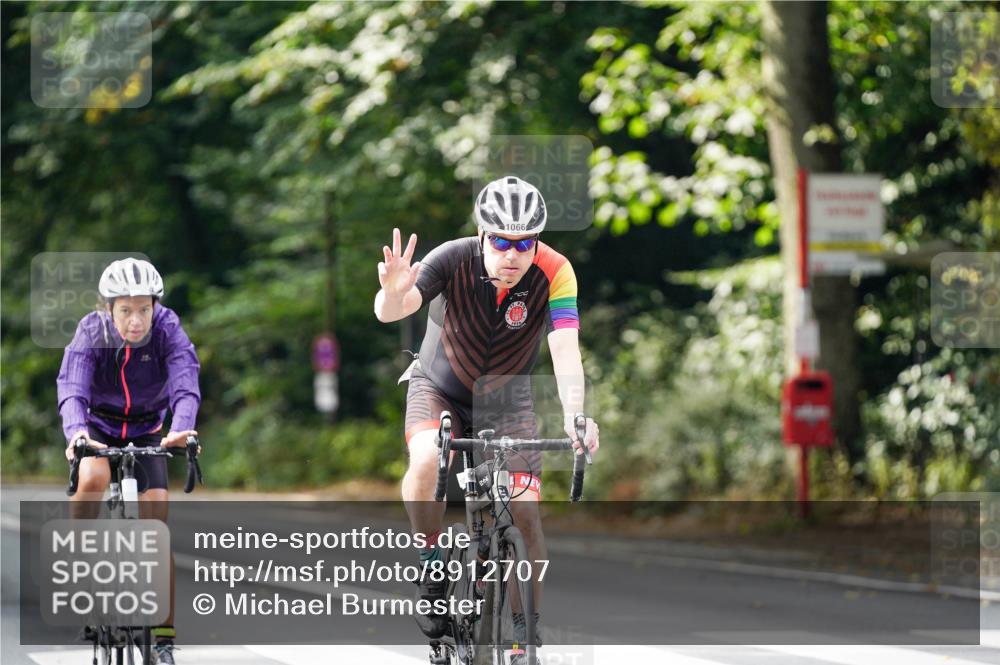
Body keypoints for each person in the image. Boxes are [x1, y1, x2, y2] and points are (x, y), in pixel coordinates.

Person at [374, 176, 600, 661]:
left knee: (526, 515)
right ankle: (431, 560)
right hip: (440, 389)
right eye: (501, 240)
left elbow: (564, 348)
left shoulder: (556, 272)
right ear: (482, 235)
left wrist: (576, 417)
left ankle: (524, 642)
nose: (512, 254)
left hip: (507, 400)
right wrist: (393, 294)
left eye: (524, 242)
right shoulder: (452, 258)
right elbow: (395, 309)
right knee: (428, 459)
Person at [57, 257, 201, 665]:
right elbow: (72, 387)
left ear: (155, 305)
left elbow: (185, 379)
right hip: (97, 428)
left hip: (147, 429)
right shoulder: (91, 331)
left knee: (157, 526)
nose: (136, 320)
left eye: (144, 308)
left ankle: (164, 640)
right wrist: (76, 434)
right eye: (126, 310)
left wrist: (183, 427)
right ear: (108, 308)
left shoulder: (168, 328)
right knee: (93, 478)